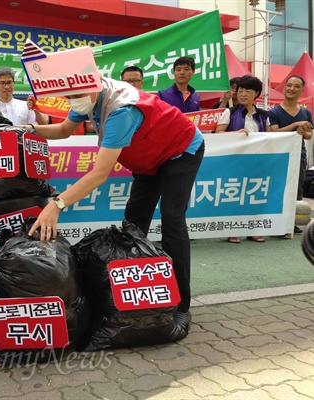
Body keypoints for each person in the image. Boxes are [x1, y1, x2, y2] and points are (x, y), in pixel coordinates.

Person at [27, 77, 205, 331]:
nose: (72, 100)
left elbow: (99, 174)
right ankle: (137, 290)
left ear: (94, 86)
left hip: (180, 150)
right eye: (68, 96)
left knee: (172, 220)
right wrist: (28, 129)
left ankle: (181, 305)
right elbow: (64, 130)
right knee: (133, 222)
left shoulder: (121, 111)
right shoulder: (86, 98)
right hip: (148, 157)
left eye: (75, 95)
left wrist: (56, 205)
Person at [215, 75, 273, 243]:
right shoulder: (229, 112)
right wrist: (234, 134)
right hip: (235, 161)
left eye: (247, 91)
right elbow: (218, 133)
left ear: (256, 94)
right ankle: (232, 230)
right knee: (234, 195)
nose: (242, 94)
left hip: (258, 161)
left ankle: (253, 229)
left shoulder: (263, 115)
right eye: (240, 90)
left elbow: (270, 137)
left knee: (254, 194)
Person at [269, 75, 313, 235]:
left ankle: (290, 224)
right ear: (284, 87)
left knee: (297, 191)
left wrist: (303, 132)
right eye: (289, 85)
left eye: (296, 86)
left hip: (299, 157)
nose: (291, 89)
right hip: (279, 158)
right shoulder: (274, 112)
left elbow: (308, 135)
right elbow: (274, 133)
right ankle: (277, 223)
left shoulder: (306, 112)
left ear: (301, 90)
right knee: (279, 189)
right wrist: (295, 125)